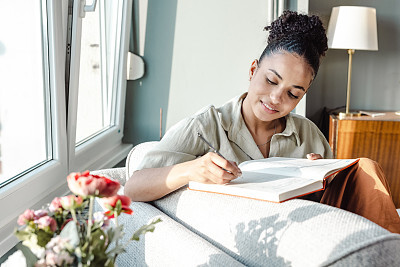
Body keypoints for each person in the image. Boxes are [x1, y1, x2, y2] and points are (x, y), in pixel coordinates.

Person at [124, 10, 400, 234]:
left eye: (293, 93)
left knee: (365, 170)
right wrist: (191, 169)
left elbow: (334, 209)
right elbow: (133, 187)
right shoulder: (206, 125)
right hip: (242, 237)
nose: (276, 98)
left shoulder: (309, 135)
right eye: (271, 80)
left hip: (303, 235)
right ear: (253, 69)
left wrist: (323, 178)